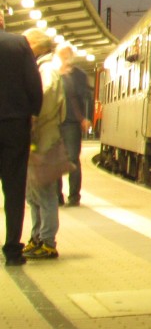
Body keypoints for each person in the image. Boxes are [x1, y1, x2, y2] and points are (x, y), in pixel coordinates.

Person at [0, 16, 42, 266]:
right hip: (15, 125)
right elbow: (34, 83)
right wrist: (33, 113)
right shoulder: (19, 44)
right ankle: (13, 251)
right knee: (14, 189)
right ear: (2, 22)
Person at [23, 28, 63, 260]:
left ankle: (47, 241)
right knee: (34, 193)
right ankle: (37, 236)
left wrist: (32, 116)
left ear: (38, 45)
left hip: (44, 139)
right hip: (39, 139)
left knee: (44, 193)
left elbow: (45, 95)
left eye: (27, 43)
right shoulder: (42, 67)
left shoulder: (47, 69)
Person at [56, 45, 90, 206]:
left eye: (65, 54)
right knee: (55, 159)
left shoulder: (79, 75)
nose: (63, 57)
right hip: (54, 121)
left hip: (71, 121)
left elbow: (86, 97)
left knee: (72, 159)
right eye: (61, 54)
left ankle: (74, 196)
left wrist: (86, 118)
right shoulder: (54, 74)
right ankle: (57, 196)